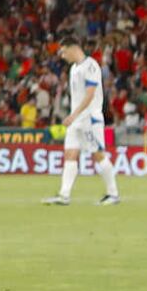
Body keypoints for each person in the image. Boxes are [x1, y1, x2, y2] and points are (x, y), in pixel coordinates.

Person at [43, 38, 121, 206]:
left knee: (98, 154)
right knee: (70, 155)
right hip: (76, 120)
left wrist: (74, 114)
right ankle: (64, 195)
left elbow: (90, 94)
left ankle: (113, 194)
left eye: (64, 51)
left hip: (89, 119)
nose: (63, 55)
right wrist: (73, 116)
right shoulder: (73, 69)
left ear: (73, 48)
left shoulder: (91, 66)